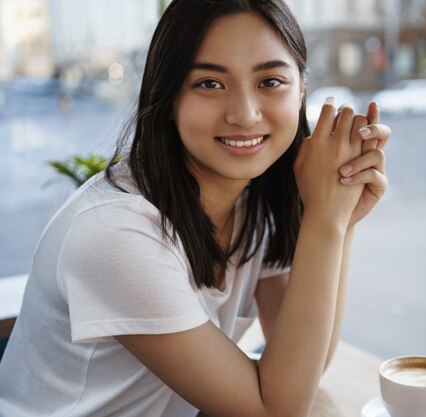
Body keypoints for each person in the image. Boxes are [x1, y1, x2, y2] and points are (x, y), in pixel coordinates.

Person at [0, 1, 391, 416]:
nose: (245, 114)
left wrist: (340, 217)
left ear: (300, 94)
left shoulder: (256, 202)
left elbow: (306, 366)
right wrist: (324, 222)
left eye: (271, 81)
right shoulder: (117, 232)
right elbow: (277, 409)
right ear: (168, 99)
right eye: (209, 83)